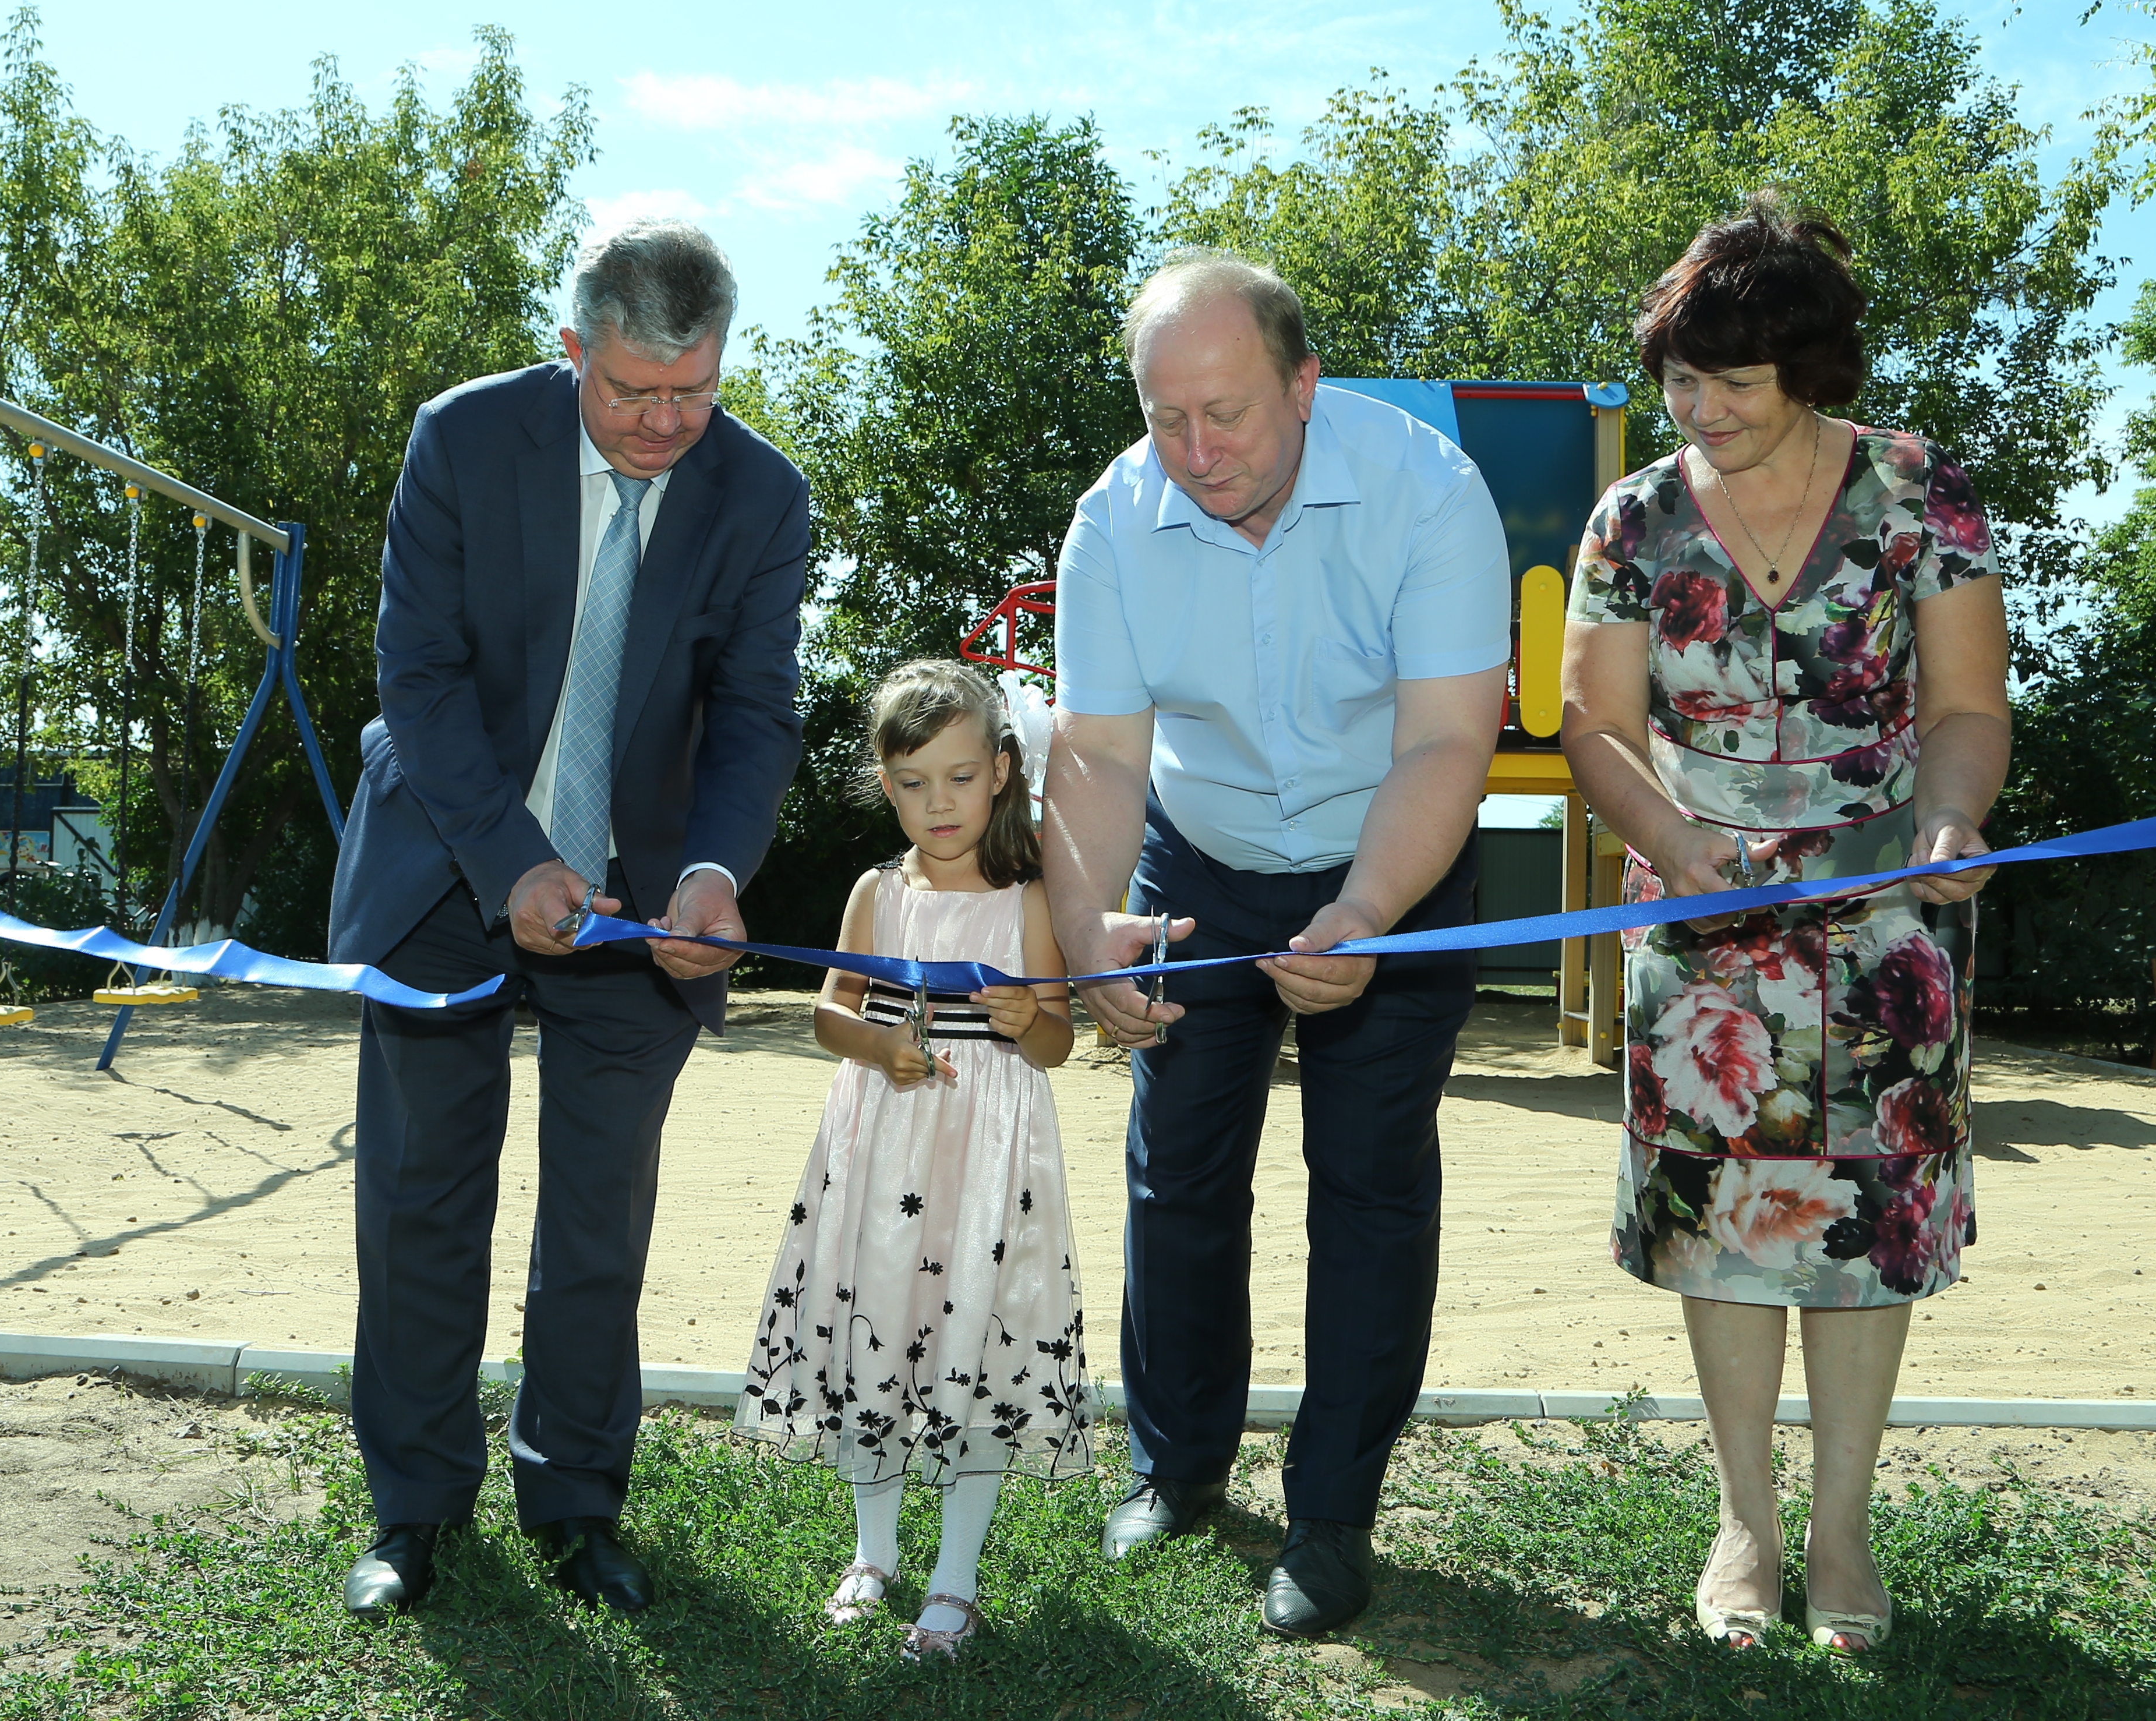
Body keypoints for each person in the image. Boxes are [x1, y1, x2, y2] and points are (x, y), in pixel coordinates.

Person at [327, 220, 810, 1618]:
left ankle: (577, 1499)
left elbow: (757, 715)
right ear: (572, 347)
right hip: (445, 866)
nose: (665, 423)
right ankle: (415, 1505)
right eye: (631, 392)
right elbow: (414, 679)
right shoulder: (462, 442)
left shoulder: (765, 501)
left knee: (600, 1214)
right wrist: (512, 858)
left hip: (643, 904)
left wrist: (715, 874)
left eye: (694, 393)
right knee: (424, 1200)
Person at [1560, 195, 2008, 1655]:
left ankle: (1843, 1532)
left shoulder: (1919, 493)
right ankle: (1745, 1523)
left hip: (1886, 922)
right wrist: (1684, 851)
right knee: (1725, 1229)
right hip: (1701, 919)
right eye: (1681, 381)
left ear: (1808, 367)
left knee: (1870, 1220)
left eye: (1734, 383)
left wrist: (1948, 823)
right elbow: (1594, 728)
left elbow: (1964, 709)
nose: (1701, 410)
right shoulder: (1633, 517)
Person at [1042, 249, 1510, 1637]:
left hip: (1397, 862)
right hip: (1201, 861)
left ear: (1305, 383)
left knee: (1368, 1184)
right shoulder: (1113, 523)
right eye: (1166, 418)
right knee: (1180, 1178)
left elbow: (1447, 739)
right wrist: (1090, 930)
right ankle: (1176, 1468)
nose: (1199, 452)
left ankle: (1332, 1514)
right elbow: (1100, 752)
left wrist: (1366, 910)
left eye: (1229, 413)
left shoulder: (1430, 490)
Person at [736, 659, 1091, 1662]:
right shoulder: (874, 893)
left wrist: (1027, 1018)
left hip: (985, 1160)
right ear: (884, 785)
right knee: (878, 1332)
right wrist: (876, 1047)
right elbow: (828, 1010)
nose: (937, 804)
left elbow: (1059, 1042)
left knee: (968, 1340)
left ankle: (956, 1578)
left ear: (1004, 773)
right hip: (883, 1146)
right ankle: (874, 1554)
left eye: (960, 777)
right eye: (911, 783)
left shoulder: (1027, 902)